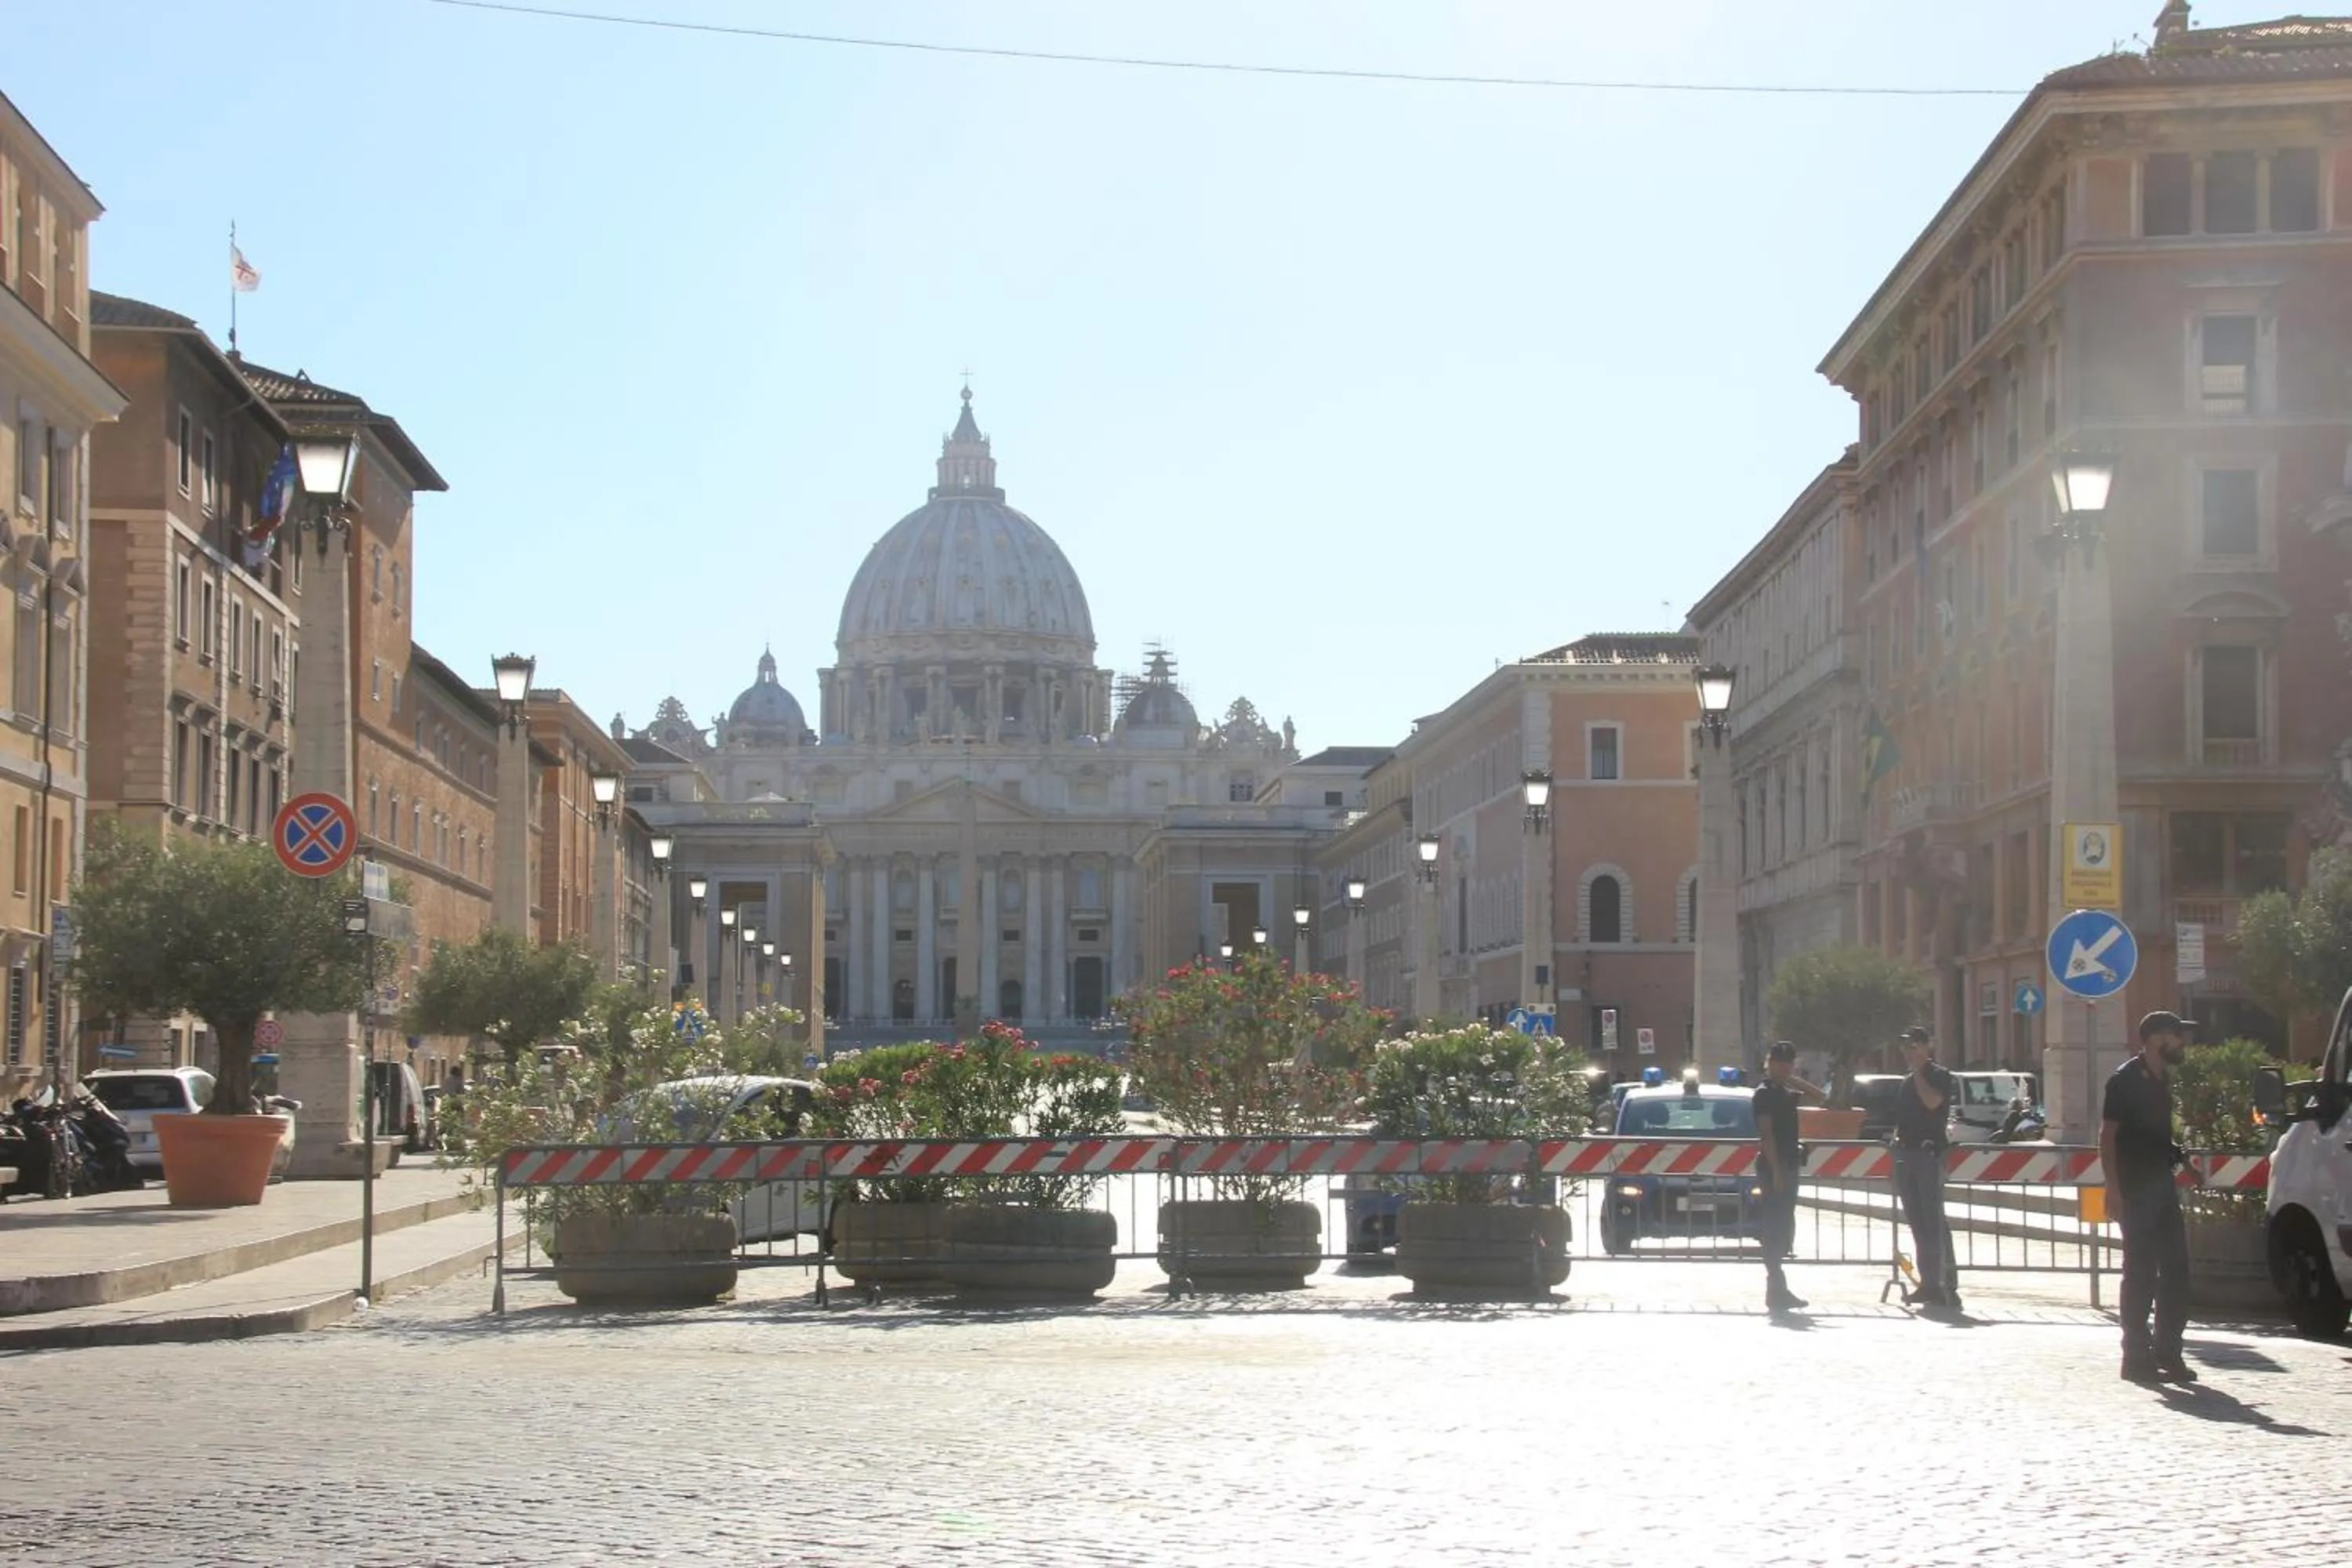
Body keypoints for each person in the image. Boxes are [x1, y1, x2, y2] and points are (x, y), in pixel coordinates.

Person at [2102, 1011, 2198, 1384]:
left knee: (2176, 1270)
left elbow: (2155, 1135)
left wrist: (2182, 1162)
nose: (2182, 1042)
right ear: (2156, 1038)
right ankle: (2136, 1357)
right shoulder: (2124, 1080)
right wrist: (2113, 1189)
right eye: (2177, 1035)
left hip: (2162, 1185)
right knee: (2140, 1272)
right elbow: (2108, 1136)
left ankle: (2168, 1352)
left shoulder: (2162, 1080)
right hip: (2135, 1189)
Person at [1754, 1040, 1829, 1314]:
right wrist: (1776, 1171)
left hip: (1789, 1164)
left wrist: (1791, 1078)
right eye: (1780, 1063)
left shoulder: (1785, 1092)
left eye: (1789, 1063)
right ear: (1770, 1063)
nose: (1785, 1067)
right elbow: (1767, 1135)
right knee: (1774, 1228)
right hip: (1774, 1167)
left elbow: (1821, 1097)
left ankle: (1778, 1289)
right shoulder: (1764, 1094)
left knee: (1783, 1226)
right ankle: (1776, 1288)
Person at [1893, 1025, 1959, 1310]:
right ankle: (1928, 1283)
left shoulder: (1939, 1075)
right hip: (1906, 1154)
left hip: (1929, 1155)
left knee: (1934, 1223)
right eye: (1906, 1047)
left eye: (1914, 1046)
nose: (1909, 1052)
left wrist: (1919, 1072)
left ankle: (1946, 1284)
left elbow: (1933, 1103)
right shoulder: (1907, 1081)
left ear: (1926, 1047)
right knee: (1918, 1223)